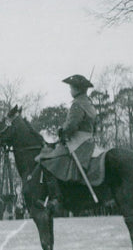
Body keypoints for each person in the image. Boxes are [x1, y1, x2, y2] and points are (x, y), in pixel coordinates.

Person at [40, 74, 97, 209]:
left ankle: (56, 198)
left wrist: (62, 132)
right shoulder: (89, 104)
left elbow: (72, 125)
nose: (70, 90)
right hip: (88, 139)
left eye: (71, 87)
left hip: (77, 141)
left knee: (48, 161)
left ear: (77, 89)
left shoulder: (77, 104)